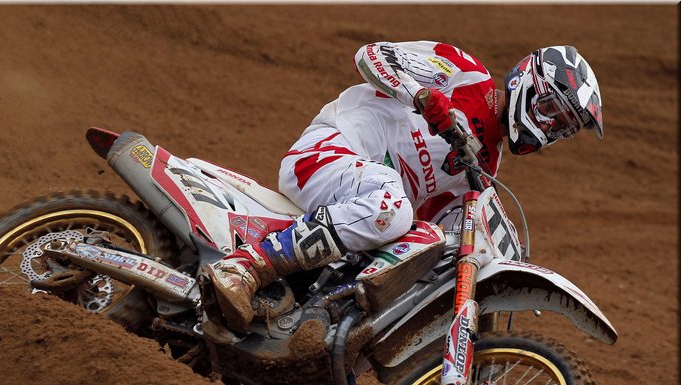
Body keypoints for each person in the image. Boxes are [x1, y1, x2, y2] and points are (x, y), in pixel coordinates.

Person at [204, 41, 604, 329]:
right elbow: (372, 55)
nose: (551, 129)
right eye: (553, 111)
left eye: (564, 129)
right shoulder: (465, 74)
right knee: (392, 206)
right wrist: (424, 98)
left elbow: (437, 233)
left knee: (429, 245)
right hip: (329, 150)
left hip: (355, 208)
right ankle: (245, 268)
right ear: (527, 81)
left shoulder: (484, 171)